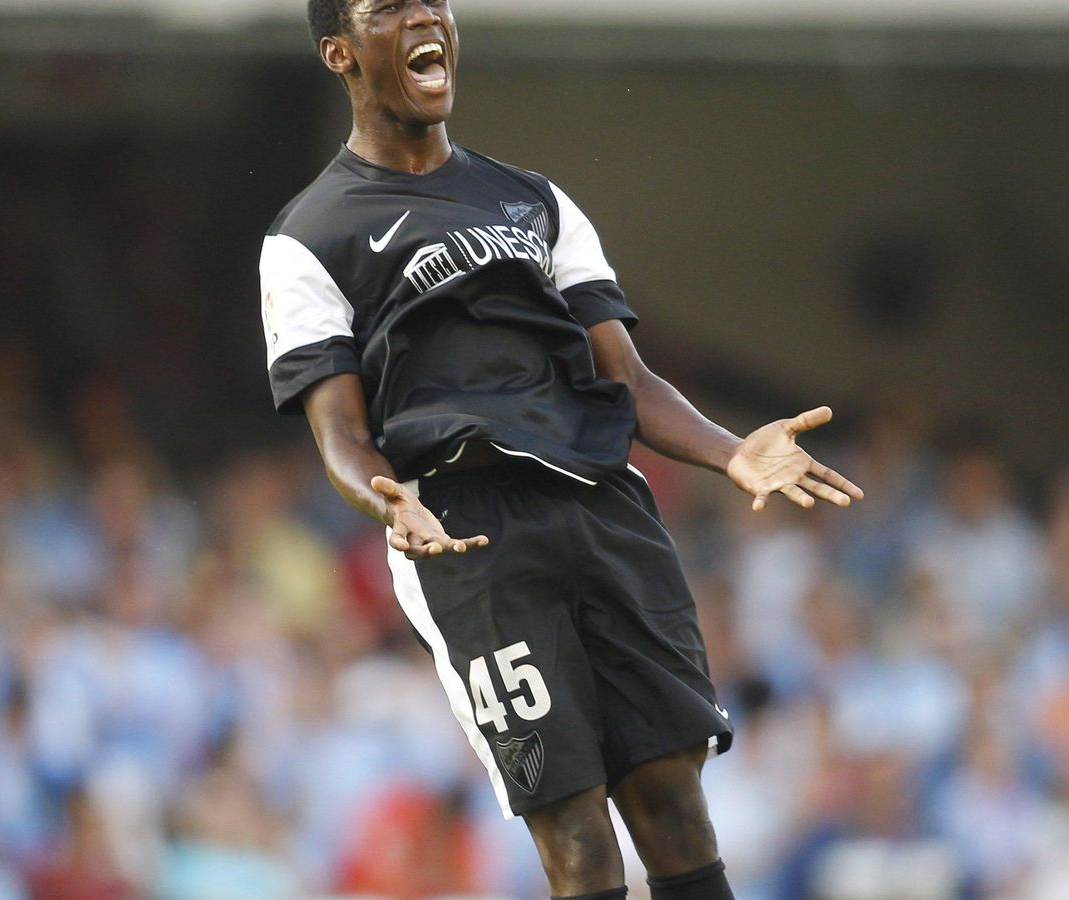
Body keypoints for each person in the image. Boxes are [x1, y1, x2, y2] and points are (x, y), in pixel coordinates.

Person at [260, 2, 864, 896]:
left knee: (670, 795)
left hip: (602, 503)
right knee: (575, 828)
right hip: (467, 530)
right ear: (339, 52)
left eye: (433, 0)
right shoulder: (308, 236)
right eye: (390, 6)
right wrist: (381, 496)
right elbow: (341, 433)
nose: (426, 15)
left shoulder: (533, 199)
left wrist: (730, 451)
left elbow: (627, 377)